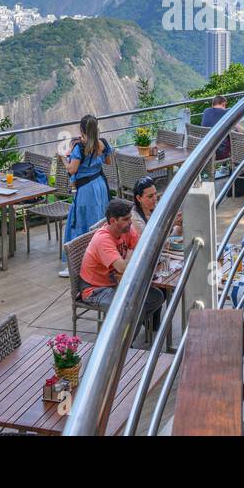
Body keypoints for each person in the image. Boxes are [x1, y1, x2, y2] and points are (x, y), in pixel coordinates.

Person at [78, 199, 164, 335]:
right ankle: (123, 348)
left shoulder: (126, 229)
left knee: (156, 296)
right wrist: (132, 256)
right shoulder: (103, 239)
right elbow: (123, 268)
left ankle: (125, 332)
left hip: (117, 282)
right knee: (132, 308)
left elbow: (144, 248)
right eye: (125, 219)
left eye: (130, 217)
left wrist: (132, 255)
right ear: (113, 221)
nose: (130, 222)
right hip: (96, 289)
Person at [61, 114, 114, 278]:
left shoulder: (79, 148)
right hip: (100, 185)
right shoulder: (102, 144)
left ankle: (76, 264)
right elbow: (108, 162)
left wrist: (63, 158)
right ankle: (99, 259)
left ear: (82, 130)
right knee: (98, 221)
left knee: (81, 223)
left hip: (86, 190)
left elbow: (72, 170)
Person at [199, 94, 232, 161]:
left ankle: (225, 166)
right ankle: (238, 166)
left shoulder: (206, 111)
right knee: (235, 139)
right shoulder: (226, 113)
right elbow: (241, 130)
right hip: (219, 153)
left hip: (204, 151)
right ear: (223, 104)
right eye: (225, 105)